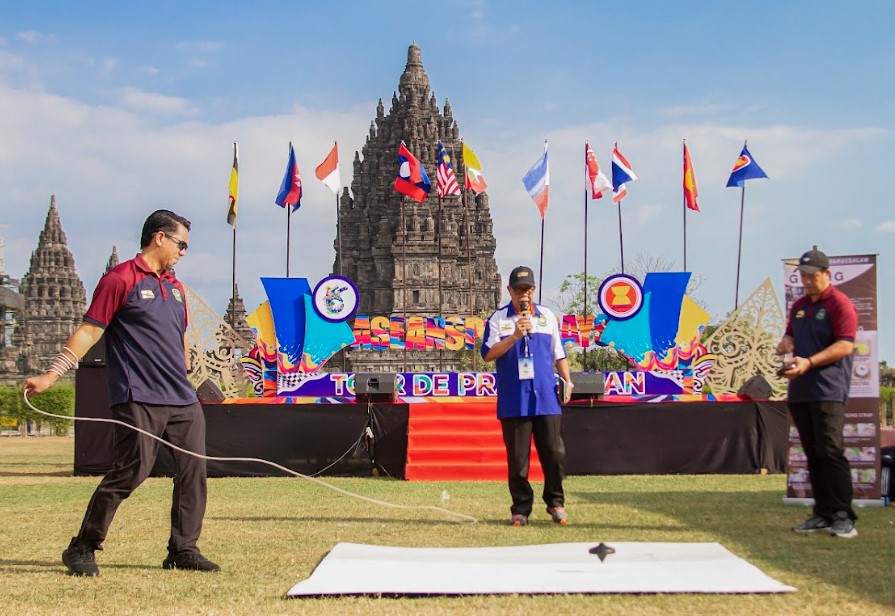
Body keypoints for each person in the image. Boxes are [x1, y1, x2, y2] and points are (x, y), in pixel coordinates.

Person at [23, 209, 220, 575]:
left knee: (194, 471)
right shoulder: (120, 279)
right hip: (139, 395)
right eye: (181, 244)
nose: (183, 252)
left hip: (181, 398)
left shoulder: (175, 289)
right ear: (159, 238)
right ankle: (83, 545)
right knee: (132, 471)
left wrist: (186, 355)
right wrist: (51, 375)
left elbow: (180, 333)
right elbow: (89, 331)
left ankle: (183, 549)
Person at [481, 265, 573, 526]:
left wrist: (568, 380)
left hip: (545, 395)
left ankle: (556, 503)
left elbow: (559, 353)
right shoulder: (498, 320)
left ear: (534, 290)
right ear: (509, 290)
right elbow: (488, 354)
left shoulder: (547, 316)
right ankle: (520, 508)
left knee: (554, 454)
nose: (524, 294)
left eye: (528, 289)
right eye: (519, 289)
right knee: (518, 460)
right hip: (515, 398)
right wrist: (515, 335)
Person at [777, 248, 858, 538]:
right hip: (800, 389)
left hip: (828, 389)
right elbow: (790, 333)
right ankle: (822, 512)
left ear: (826, 274)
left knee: (831, 451)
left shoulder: (840, 304)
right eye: (803, 275)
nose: (807, 280)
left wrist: (809, 362)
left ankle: (842, 514)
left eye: (813, 275)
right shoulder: (799, 305)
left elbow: (846, 345)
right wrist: (785, 343)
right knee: (812, 452)